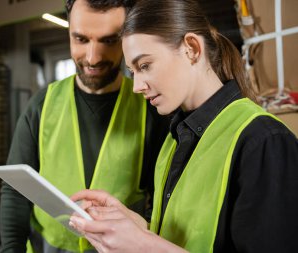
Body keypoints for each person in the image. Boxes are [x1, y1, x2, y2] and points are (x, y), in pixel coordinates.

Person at [69, 0, 298, 252]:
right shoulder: (174, 140)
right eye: (133, 72)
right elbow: (182, 238)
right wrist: (132, 225)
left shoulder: (264, 141)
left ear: (191, 48)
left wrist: (143, 245)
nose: (136, 86)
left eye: (145, 66)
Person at [0, 0, 169, 252]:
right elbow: (15, 189)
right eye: (80, 39)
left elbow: (162, 199)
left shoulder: (150, 110)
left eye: (109, 41)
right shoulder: (41, 106)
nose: (93, 57)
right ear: (68, 33)